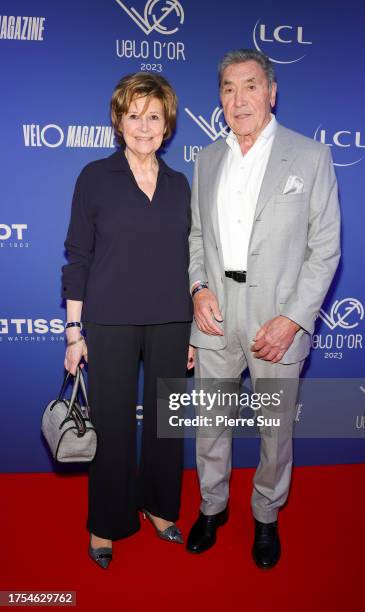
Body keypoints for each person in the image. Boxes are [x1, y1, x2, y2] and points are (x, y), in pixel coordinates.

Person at [186, 49, 341, 568]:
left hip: (278, 315)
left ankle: (266, 515)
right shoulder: (206, 159)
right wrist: (198, 287)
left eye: (250, 86)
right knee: (210, 422)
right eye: (228, 88)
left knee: (275, 432)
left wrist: (294, 317)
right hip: (215, 313)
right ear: (221, 99)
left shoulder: (311, 155)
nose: (239, 98)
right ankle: (212, 507)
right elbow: (197, 236)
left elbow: (326, 248)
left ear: (271, 93)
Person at [61, 72, 194, 569]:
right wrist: (74, 331)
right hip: (110, 321)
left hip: (172, 322)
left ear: (167, 125)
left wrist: (195, 333)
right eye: (134, 115)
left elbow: (193, 259)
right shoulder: (94, 177)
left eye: (154, 117)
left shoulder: (182, 185)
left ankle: (160, 507)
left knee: (166, 423)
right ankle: (107, 521)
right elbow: (77, 256)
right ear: (118, 121)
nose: (144, 126)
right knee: (112, 425)